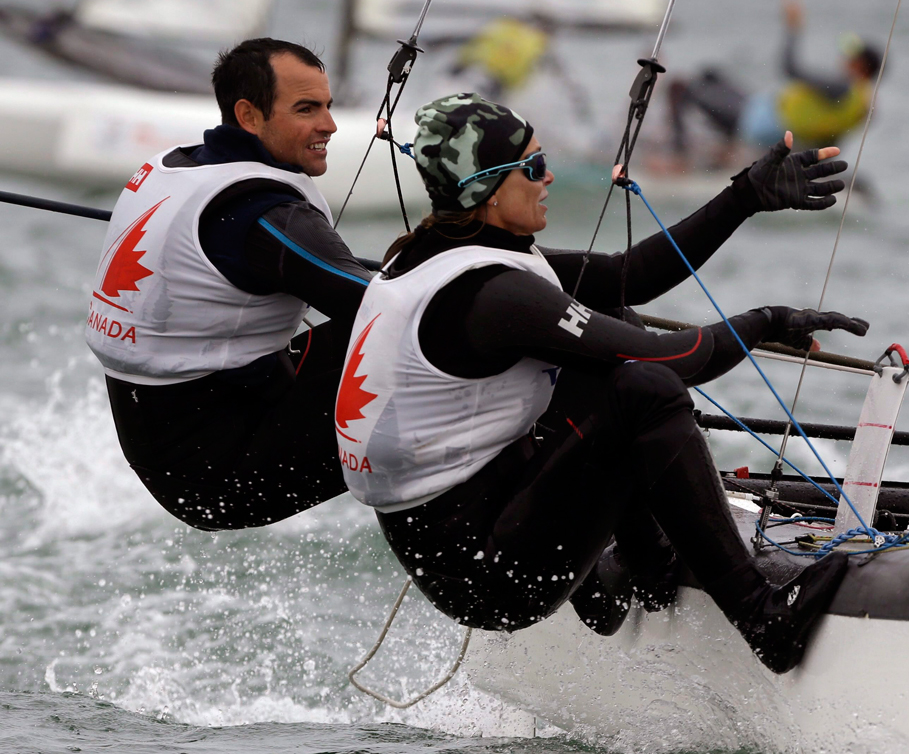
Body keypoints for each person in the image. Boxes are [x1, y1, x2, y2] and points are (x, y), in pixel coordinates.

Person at [334, 93, 871, 674]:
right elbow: (676, 359)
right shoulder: (496, 296)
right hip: (491, 578)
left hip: (466, 538)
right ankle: (764, 620)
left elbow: (624, 277)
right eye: (534, 168)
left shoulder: (435, 253)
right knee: (646, 389)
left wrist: (745, 196)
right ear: (486, 190)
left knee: (612, 338)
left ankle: (640, 572)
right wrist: (764, 321)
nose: (551, 177)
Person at [85, 38, 377, 530]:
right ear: (248, 114)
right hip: (222, 477)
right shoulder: (265, 217)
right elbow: (400, 315)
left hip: (176, 441)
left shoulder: (183, 165)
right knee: (456, 338)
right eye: (307, 109)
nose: (328, 124)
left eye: (327, 106)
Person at [668, 1, 882, 162]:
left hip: (752, 123)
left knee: (683, 88)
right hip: (758, 109)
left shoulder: (843, 88)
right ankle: (714, 148)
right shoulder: (860, 103)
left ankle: (678, 153)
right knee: (711, 74)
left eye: (850, 57)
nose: (843, 59)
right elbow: (828, 142)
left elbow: (790, 69)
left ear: (862, 67)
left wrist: (793, 28)